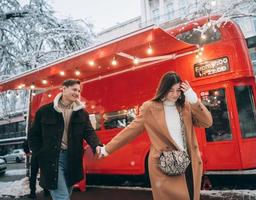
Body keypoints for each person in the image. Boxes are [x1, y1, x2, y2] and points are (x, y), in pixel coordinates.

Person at [100, 71, 213, 200]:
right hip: (165, 166)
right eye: (171, 90)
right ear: (163, 89)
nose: (175, 95)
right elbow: (130, 131)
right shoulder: (150, 108)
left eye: (178, 90)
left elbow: (207, 122)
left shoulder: (186, 106)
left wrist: (192, 98)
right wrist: (107, 149)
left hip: (189, 164)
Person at [28, 79, 102, 200]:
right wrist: (40, 153)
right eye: (74, 89)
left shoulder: (82, 113)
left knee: (66, 194)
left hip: (73, 159)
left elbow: (89, 133)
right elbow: (33, 135)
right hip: (53, 159)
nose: (77, 93)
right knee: (62, 197)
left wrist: (97, 145)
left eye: (79, 90)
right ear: (63, 88)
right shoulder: (44, 111)